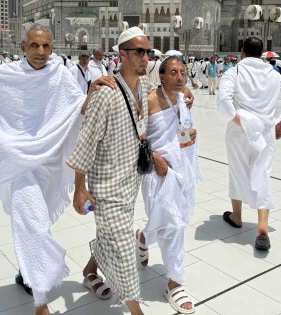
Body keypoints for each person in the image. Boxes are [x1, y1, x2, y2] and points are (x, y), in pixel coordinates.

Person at [0, 24, 112, 315]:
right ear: (23, 46)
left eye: (46, 47)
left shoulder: (60, 75)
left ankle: (26, 271)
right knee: (35, 224)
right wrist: (13, 149)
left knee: (35, 222)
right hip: (19, 164)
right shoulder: (5, 75)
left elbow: (77, 109)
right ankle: (40, 301)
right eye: (35, 45)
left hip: (50, 162)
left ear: (52, 48)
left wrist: (92, 91)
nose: (41, 52)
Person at [68, 27, 155, 315]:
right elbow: (86, 142)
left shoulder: (143, 88)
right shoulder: (106, 92)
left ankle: (90, 270)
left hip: (130, 182)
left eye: (148, 52)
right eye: (139, 52)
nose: (145, 58)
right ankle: (135, 309)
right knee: (122, 247)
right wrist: (80, 188)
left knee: (111, 236)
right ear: (122, 55)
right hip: (105, 186)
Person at [217, 37, 281, 251]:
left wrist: (242, 122)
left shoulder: (232, 72)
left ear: (242, 51)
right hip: (265, 133)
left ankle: (236, 216)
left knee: (237, 170)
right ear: (263, 53)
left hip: (238, 132)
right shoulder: (273, 75)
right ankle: (262, 227)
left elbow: (224, 104)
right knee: (262, 174)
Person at [134, 56, 200, 314]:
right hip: (157, 173)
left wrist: (190, 134)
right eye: (173, 72)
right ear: (161, 76)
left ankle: (142, 237)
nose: (180, 77)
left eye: (183, 72)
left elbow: (180, 132)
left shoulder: (183, 98)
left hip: (182, 170)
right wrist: (155, 158)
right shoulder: (149, 101)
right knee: (171, 225)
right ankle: (174, 282)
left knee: (174, 222)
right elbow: (136, 136)